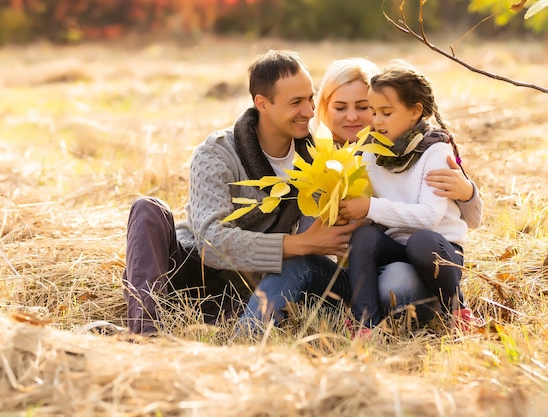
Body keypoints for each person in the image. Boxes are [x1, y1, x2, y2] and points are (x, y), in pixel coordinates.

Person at [122, 50, 361, 335]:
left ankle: (229, 325)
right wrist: (299, 244)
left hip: (246, 290)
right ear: (263, 103)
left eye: (310, 98)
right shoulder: (216, 153)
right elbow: (211, 241)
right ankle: (144, 332)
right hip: (188, 269)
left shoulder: (316, 159)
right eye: (296, 102)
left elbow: (319, 246)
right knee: (147, 209)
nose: (309, 111)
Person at [313, 58, 483, 325]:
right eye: (374, 111)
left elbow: (429, 218)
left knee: (421, 241)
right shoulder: (371, 151)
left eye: (385, 112)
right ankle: (364, 322)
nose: (376, 120)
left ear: (414, 112)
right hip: (394, 248)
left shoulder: (434, 151)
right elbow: (372, 215)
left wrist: (368, 207)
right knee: (366, 235)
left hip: (436, 251)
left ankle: (458, 309)